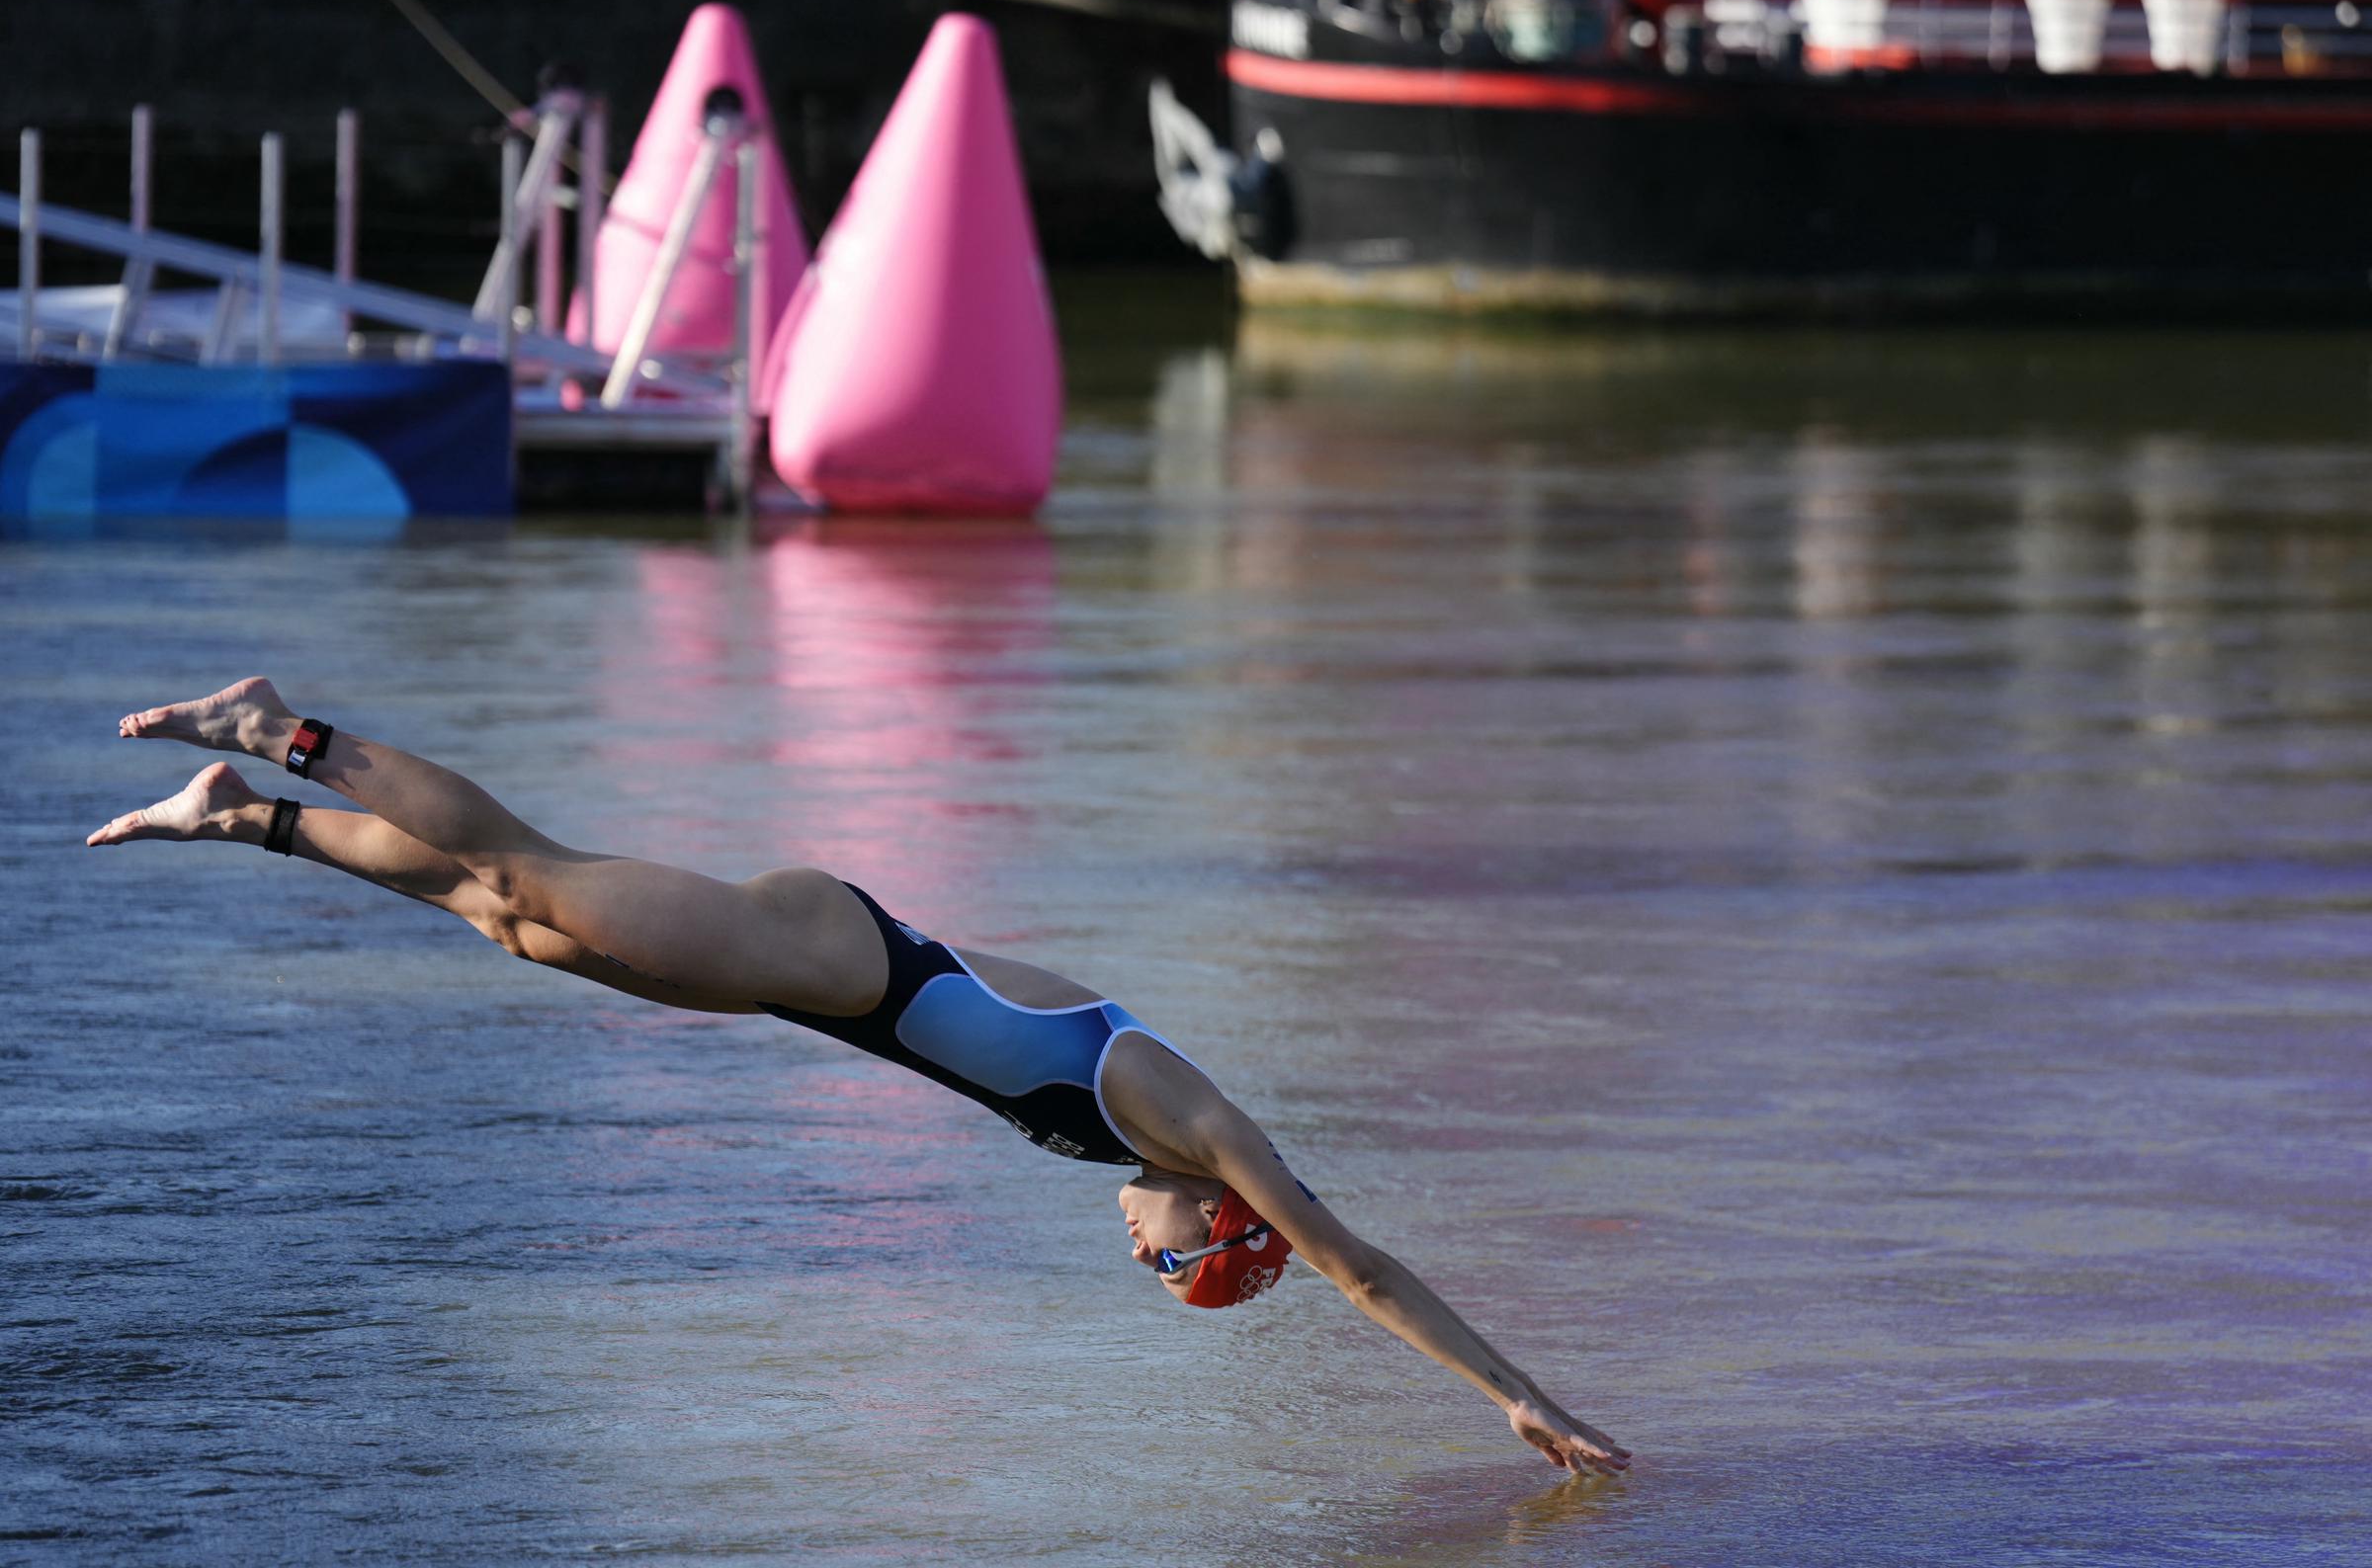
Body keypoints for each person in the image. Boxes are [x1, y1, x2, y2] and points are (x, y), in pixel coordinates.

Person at [87, 677, 1631, 1477]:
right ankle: (276, 728)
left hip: (812, 987)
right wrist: (1520, 1397)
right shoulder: (1195, 1126)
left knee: (514, 929)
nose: (1138, 1262)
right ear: (1214, 1233)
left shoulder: (1138, 1149)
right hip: (833, 953)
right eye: (1167, 1275)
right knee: (525, 869)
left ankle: (242, 815)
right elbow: (1358, 1268)